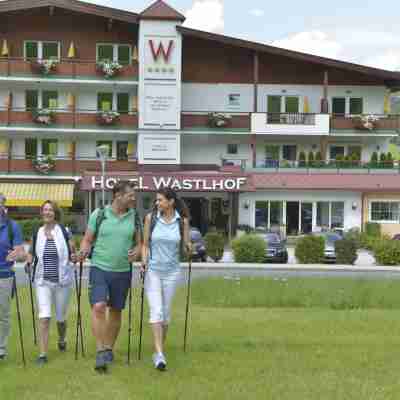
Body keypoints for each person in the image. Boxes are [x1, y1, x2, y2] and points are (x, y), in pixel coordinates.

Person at [79, 181, 142, 372]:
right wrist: (82, 253)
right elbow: (87, 240)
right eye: (130, 195)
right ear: (118, 195)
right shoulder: (98, 215)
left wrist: (137, 252)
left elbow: (140, 243)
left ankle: (108, 349)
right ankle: (100, 352)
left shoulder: (135, 216)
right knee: (98, 307)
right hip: (100, 267)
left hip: (122, 270)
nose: (134, 198)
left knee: (115, 310)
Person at [141, 187, 191, 371]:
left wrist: (189, 248)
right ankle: (160, 354)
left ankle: (158, 348)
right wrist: (144, 261)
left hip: (172, 272)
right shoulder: (151, 219)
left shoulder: (182, 222)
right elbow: (145, 245)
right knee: (156, 311)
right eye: (156, 200)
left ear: (170, 202)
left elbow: (185, 245)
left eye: (160, 200)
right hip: (154, 271)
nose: (157, 203)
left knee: (166, 315)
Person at [26, 200, 77, 365]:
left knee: (61, 318)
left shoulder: (64, 231)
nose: (47, 212)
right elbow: (31, 254)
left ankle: (62, 338)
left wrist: (75, 255)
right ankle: (42, 354)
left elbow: (72, 252)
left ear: (55, 213)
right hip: (43, 281)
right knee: (44, 317)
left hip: (62, 282)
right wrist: (27, 262)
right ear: (41, 212)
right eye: (45, 210)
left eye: (50, 210)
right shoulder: (37, 233)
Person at [0, 193, 25, 361]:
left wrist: (16, 254)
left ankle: (0, 348)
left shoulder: (12, 226)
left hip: (5, 275)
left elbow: (20, 252)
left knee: (3, 313)